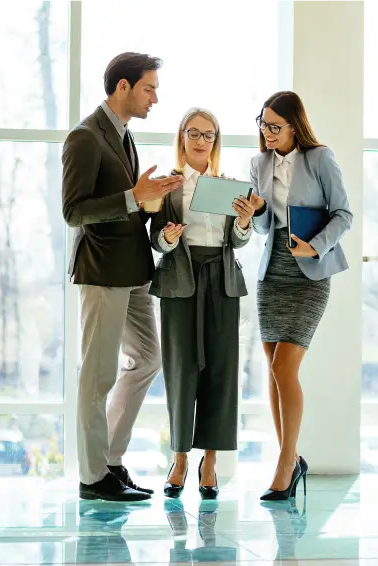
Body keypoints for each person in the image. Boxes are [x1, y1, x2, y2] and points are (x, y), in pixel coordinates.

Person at [62, 52, 184, 502]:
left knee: (148, 360)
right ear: (123, 87)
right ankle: (93, 478)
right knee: (97, 376)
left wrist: (151, 205)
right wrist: (135, 197)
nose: (156, 96)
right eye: (149, 87)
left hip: (134, 271)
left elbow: (127, 202)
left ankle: (110, 460)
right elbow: (73, 211)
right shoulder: (85, 138)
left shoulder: (124, 136)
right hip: (102, 271)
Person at [250, 91, 353, 501]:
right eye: (263, 123)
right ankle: (290, 458)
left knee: (285, 367)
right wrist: (253, 212)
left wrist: (316, 246)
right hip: (271, 270)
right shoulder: (258, 163)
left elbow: (343, 213)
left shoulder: (320, 158)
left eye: (275, 125)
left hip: (309, 273)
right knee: (273, 369)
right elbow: (261, 227)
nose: (267, 132)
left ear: (295, 125)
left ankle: (285, 462)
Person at [149, 108, 257, 500]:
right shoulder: (167, 187)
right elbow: (155, 239)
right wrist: (170, 237)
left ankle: (209, 461)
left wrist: (244, 222)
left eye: (208, 135)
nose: (200, 141)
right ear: (181, 137)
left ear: (216, 141)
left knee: (221, 372)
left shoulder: (228, 187)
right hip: (181, 280)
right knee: (180, 371)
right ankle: (179, 459)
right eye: (193, 133)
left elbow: (238, 241)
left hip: (222, 281)